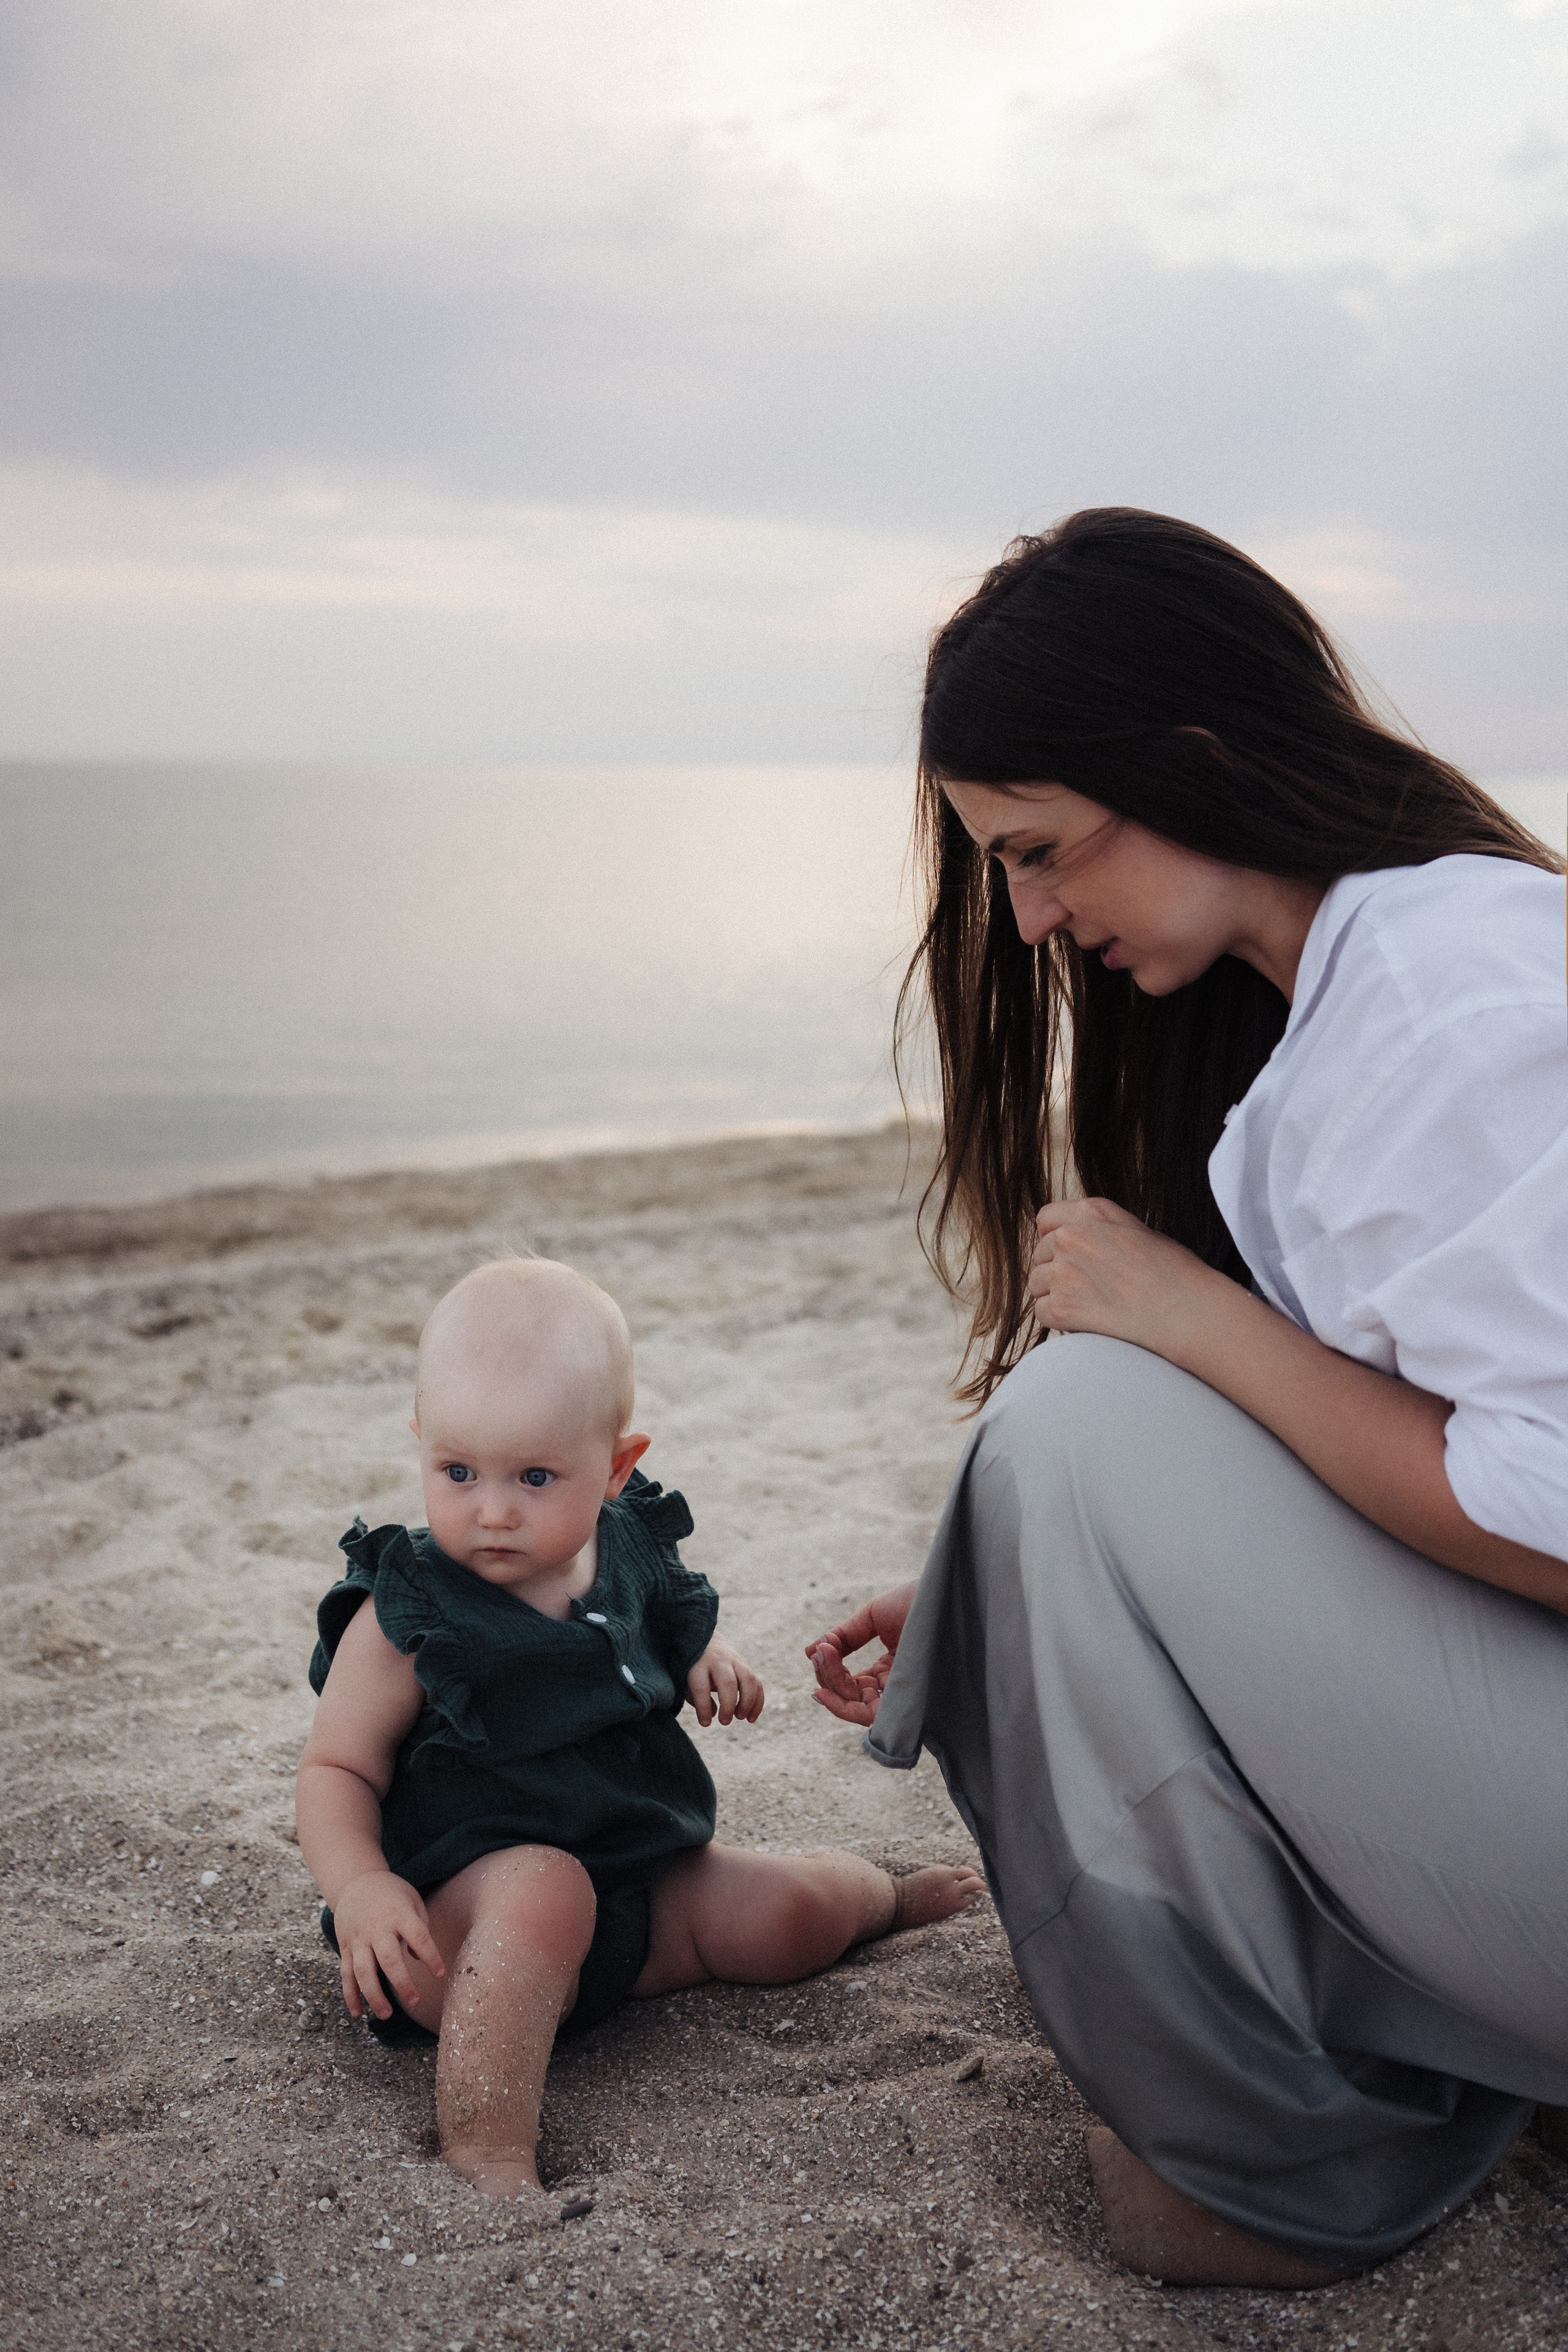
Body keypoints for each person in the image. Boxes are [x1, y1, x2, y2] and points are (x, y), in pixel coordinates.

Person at [807, 508, 1568, 2286]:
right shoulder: (1376, 984)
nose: (1030, 917)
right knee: (1072, 1449)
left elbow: (1553, 1508)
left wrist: (1192, 1331)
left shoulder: (1452, 994)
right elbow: (1399, 1440)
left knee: (1077, 1413)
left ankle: (1279, 2160)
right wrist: (1074, 1572)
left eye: (1045, 850)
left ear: (1197, 761)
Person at [296, 1256, 981, 2202]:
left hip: (637, 1900)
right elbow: (336, 1769)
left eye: (535, 1476)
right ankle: (487, 2143)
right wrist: (363, 1887)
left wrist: (708, 1657)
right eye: (456, 1471)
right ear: (421, 1442)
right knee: (543, 1886)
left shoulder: (627, 1545)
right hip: (458, 1940)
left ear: (616, 1469)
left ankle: (883, 1900)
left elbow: (667, 1621)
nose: (491, 1509)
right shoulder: (407, 1613)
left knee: (790, 1913)